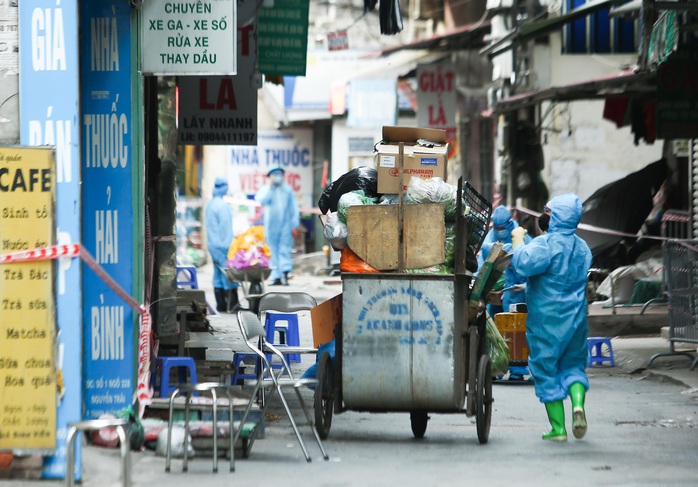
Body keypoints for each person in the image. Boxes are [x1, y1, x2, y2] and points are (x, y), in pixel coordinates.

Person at [510, 193, 592, 441]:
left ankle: (558, 429)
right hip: (576, 317)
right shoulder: (582, 247)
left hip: (546, 319)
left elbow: (523, 264)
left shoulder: (544, 245)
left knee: (546, 369)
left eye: (549, 213)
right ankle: (578, 405)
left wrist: (517, 240)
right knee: (574, 365)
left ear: (556, 217)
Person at [478, 205, 531, 380]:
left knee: (516, 328)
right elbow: (482, 260)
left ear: (508, 224)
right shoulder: (491, 235)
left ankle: (518, 369)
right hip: (496, 289)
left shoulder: (519, 235)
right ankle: (496, 366)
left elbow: (530, 260)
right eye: (497, 227)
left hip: (516, 291)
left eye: (502, 228)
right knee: (493, 330)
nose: (499, 231)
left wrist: (525, 285)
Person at [255, 167, 300, 286]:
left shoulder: (287, 190)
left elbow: (293, 207)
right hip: (271, 226)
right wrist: (269, 187)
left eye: (280, 174)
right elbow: (261, 200)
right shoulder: (266, 189)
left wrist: (294, 223)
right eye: (275, 174)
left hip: (285, 225)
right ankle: (276, 277)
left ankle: (285, 274)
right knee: (272, 250)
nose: (278, 176)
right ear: (269, 176)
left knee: (285, 249)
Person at [205, 177, 239, 312]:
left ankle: (221, 304)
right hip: (223, 245)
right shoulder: (223, 206)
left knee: (218, 274)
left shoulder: (210, 204)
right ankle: (233, 304)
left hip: (213, 245)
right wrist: (229, 246)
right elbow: (225, 229)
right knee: (228, 274)